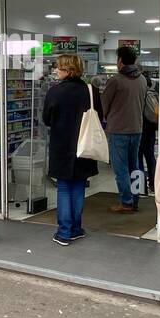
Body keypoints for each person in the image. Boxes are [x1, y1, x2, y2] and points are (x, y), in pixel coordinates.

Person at [41, 54, 101, 246]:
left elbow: (47, 119)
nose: (56, 71)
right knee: (78, 187)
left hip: (62, 146)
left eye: (58, 67)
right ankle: (75, 228)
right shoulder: (91, 91)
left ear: (68, 69)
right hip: (86, 146)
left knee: (65, 187)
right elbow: (100, 116)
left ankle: (64, 232)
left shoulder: (55, 92)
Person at [102, 45, 150, 214]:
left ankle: (126, 201)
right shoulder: (142, 80)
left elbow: (104, 104)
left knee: (120, 168)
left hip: (118, 130)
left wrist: (108, 117)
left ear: (120, 61)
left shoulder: (116, 80)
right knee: (135, 166)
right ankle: (135, 198)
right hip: (137, 129)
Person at [139, 87, 159, 195]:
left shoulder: (140, 95)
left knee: (138, 159)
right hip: (151, 130)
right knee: (151, 158)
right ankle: (154, 185)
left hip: (141, 130)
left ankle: (141, 188)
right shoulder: (153, 94)